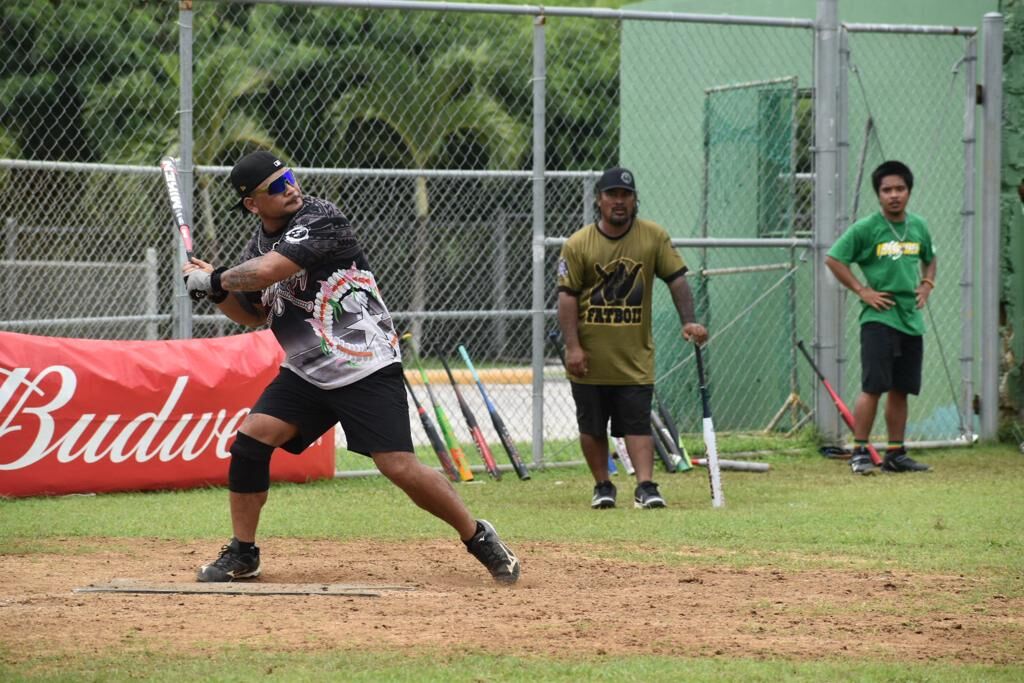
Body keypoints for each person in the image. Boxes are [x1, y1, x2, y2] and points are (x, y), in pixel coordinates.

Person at [182, 150, 519, 584]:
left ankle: (477, 535)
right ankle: (244, 553)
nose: (292, 188)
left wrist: (217, 278)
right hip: (308, 370)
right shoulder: (256, 246)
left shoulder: (322, 217)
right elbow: (252, 314)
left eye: (291, 178)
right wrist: (213, 290)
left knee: (398, 466)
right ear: (252, 204)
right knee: (250, 443)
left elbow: (271, 270)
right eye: (278, 186)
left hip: (365, 364)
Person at [556, 166, 708, 509]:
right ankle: (603, 486)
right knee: (592, 425)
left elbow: (677, 280)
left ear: (635, 200)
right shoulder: (578, 244)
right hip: (590, 359)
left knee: (638, 423)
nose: (619, 202)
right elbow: (566, 297)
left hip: (634, 356)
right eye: (612, 195)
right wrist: (573, 346)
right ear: (600, 200)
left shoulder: (653, 237)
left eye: (626, 195)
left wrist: (689, 322)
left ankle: (646, 487)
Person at [825, 160, 937, 475]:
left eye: (899, 188)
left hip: (910, 318)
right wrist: (862, 290)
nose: (894, 195)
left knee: (902, 387)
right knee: (874, 385)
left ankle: (895, 453)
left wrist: (927, 285)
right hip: (879, 318)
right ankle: (859, 451)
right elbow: (834, 258)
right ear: (878, 194)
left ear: (909, 191)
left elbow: (931, 257)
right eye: (887, 190)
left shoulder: (919, 226)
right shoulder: (866, 228)